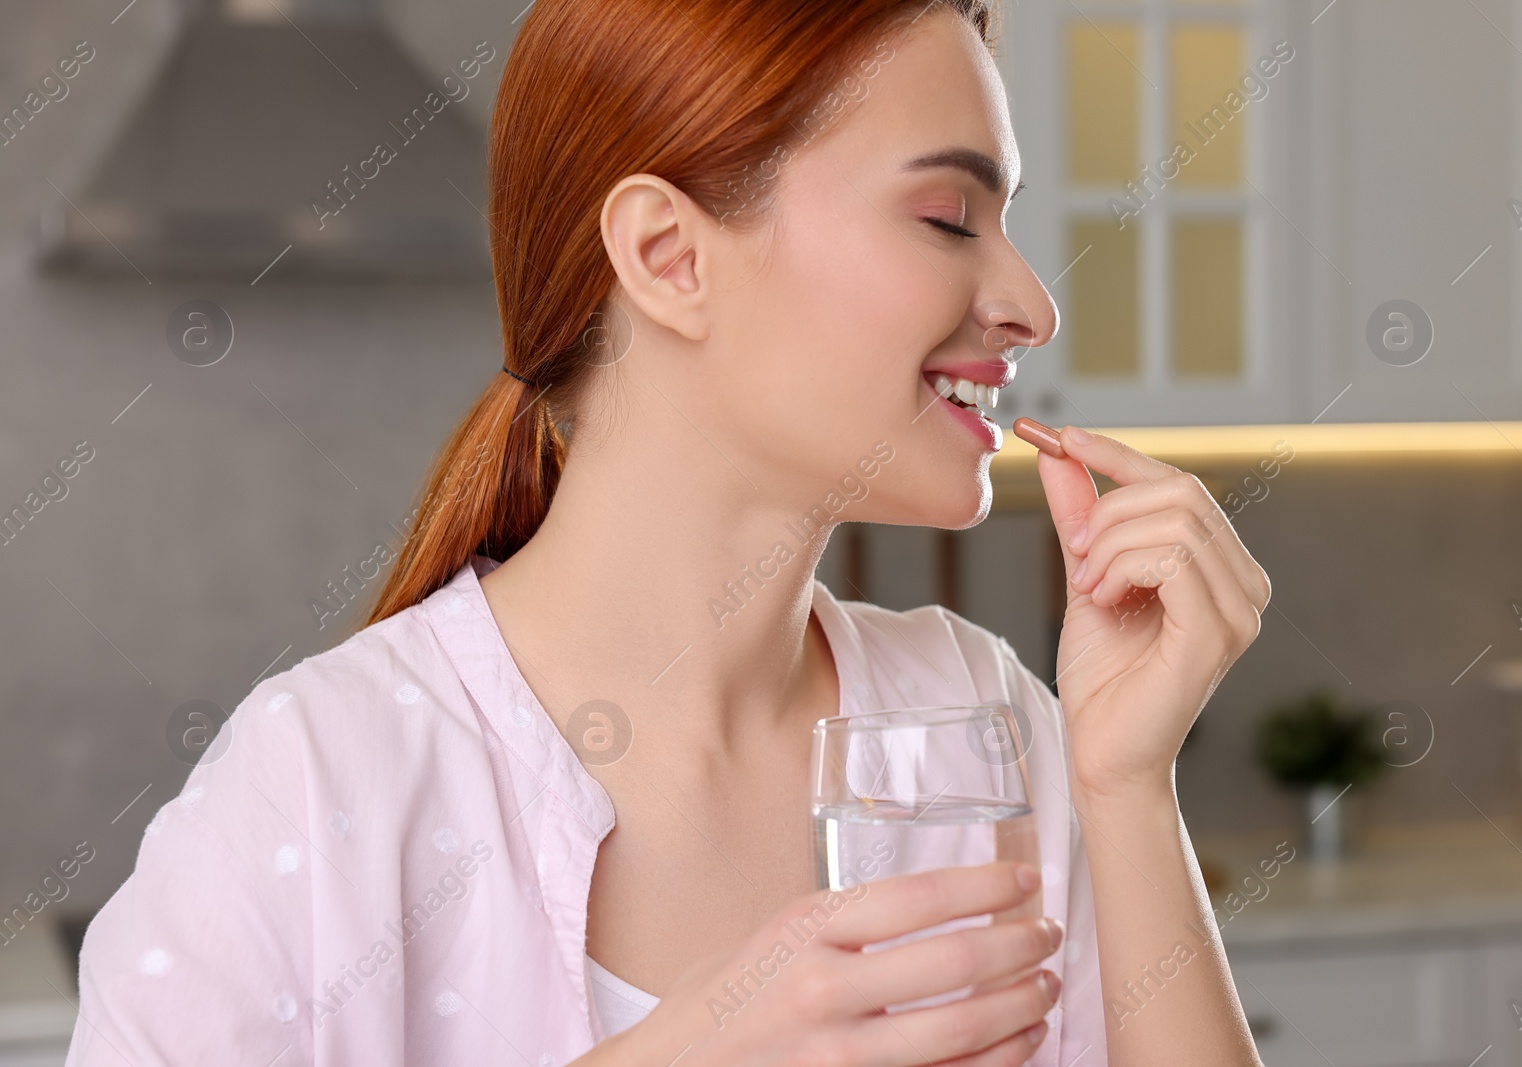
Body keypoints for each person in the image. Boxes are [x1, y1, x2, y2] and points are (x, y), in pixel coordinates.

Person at [65, 0, 1270, 1064]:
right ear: (666, 255)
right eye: (950, 215)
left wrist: (1124, 782)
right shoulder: (315, 783)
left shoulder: (979, 722)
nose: (1031, 304)